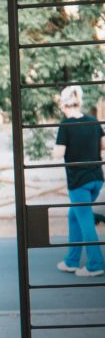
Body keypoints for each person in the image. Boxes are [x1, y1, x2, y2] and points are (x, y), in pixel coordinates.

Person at [54, 85, 105, 277]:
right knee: (73, 217)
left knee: (86, 222)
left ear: (64, 104)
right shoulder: (92, 121)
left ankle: (95, 264)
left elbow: (59, 153)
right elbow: (103, 144)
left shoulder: (65, 125)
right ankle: (72, 261)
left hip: (78, 183)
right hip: (96, 180)